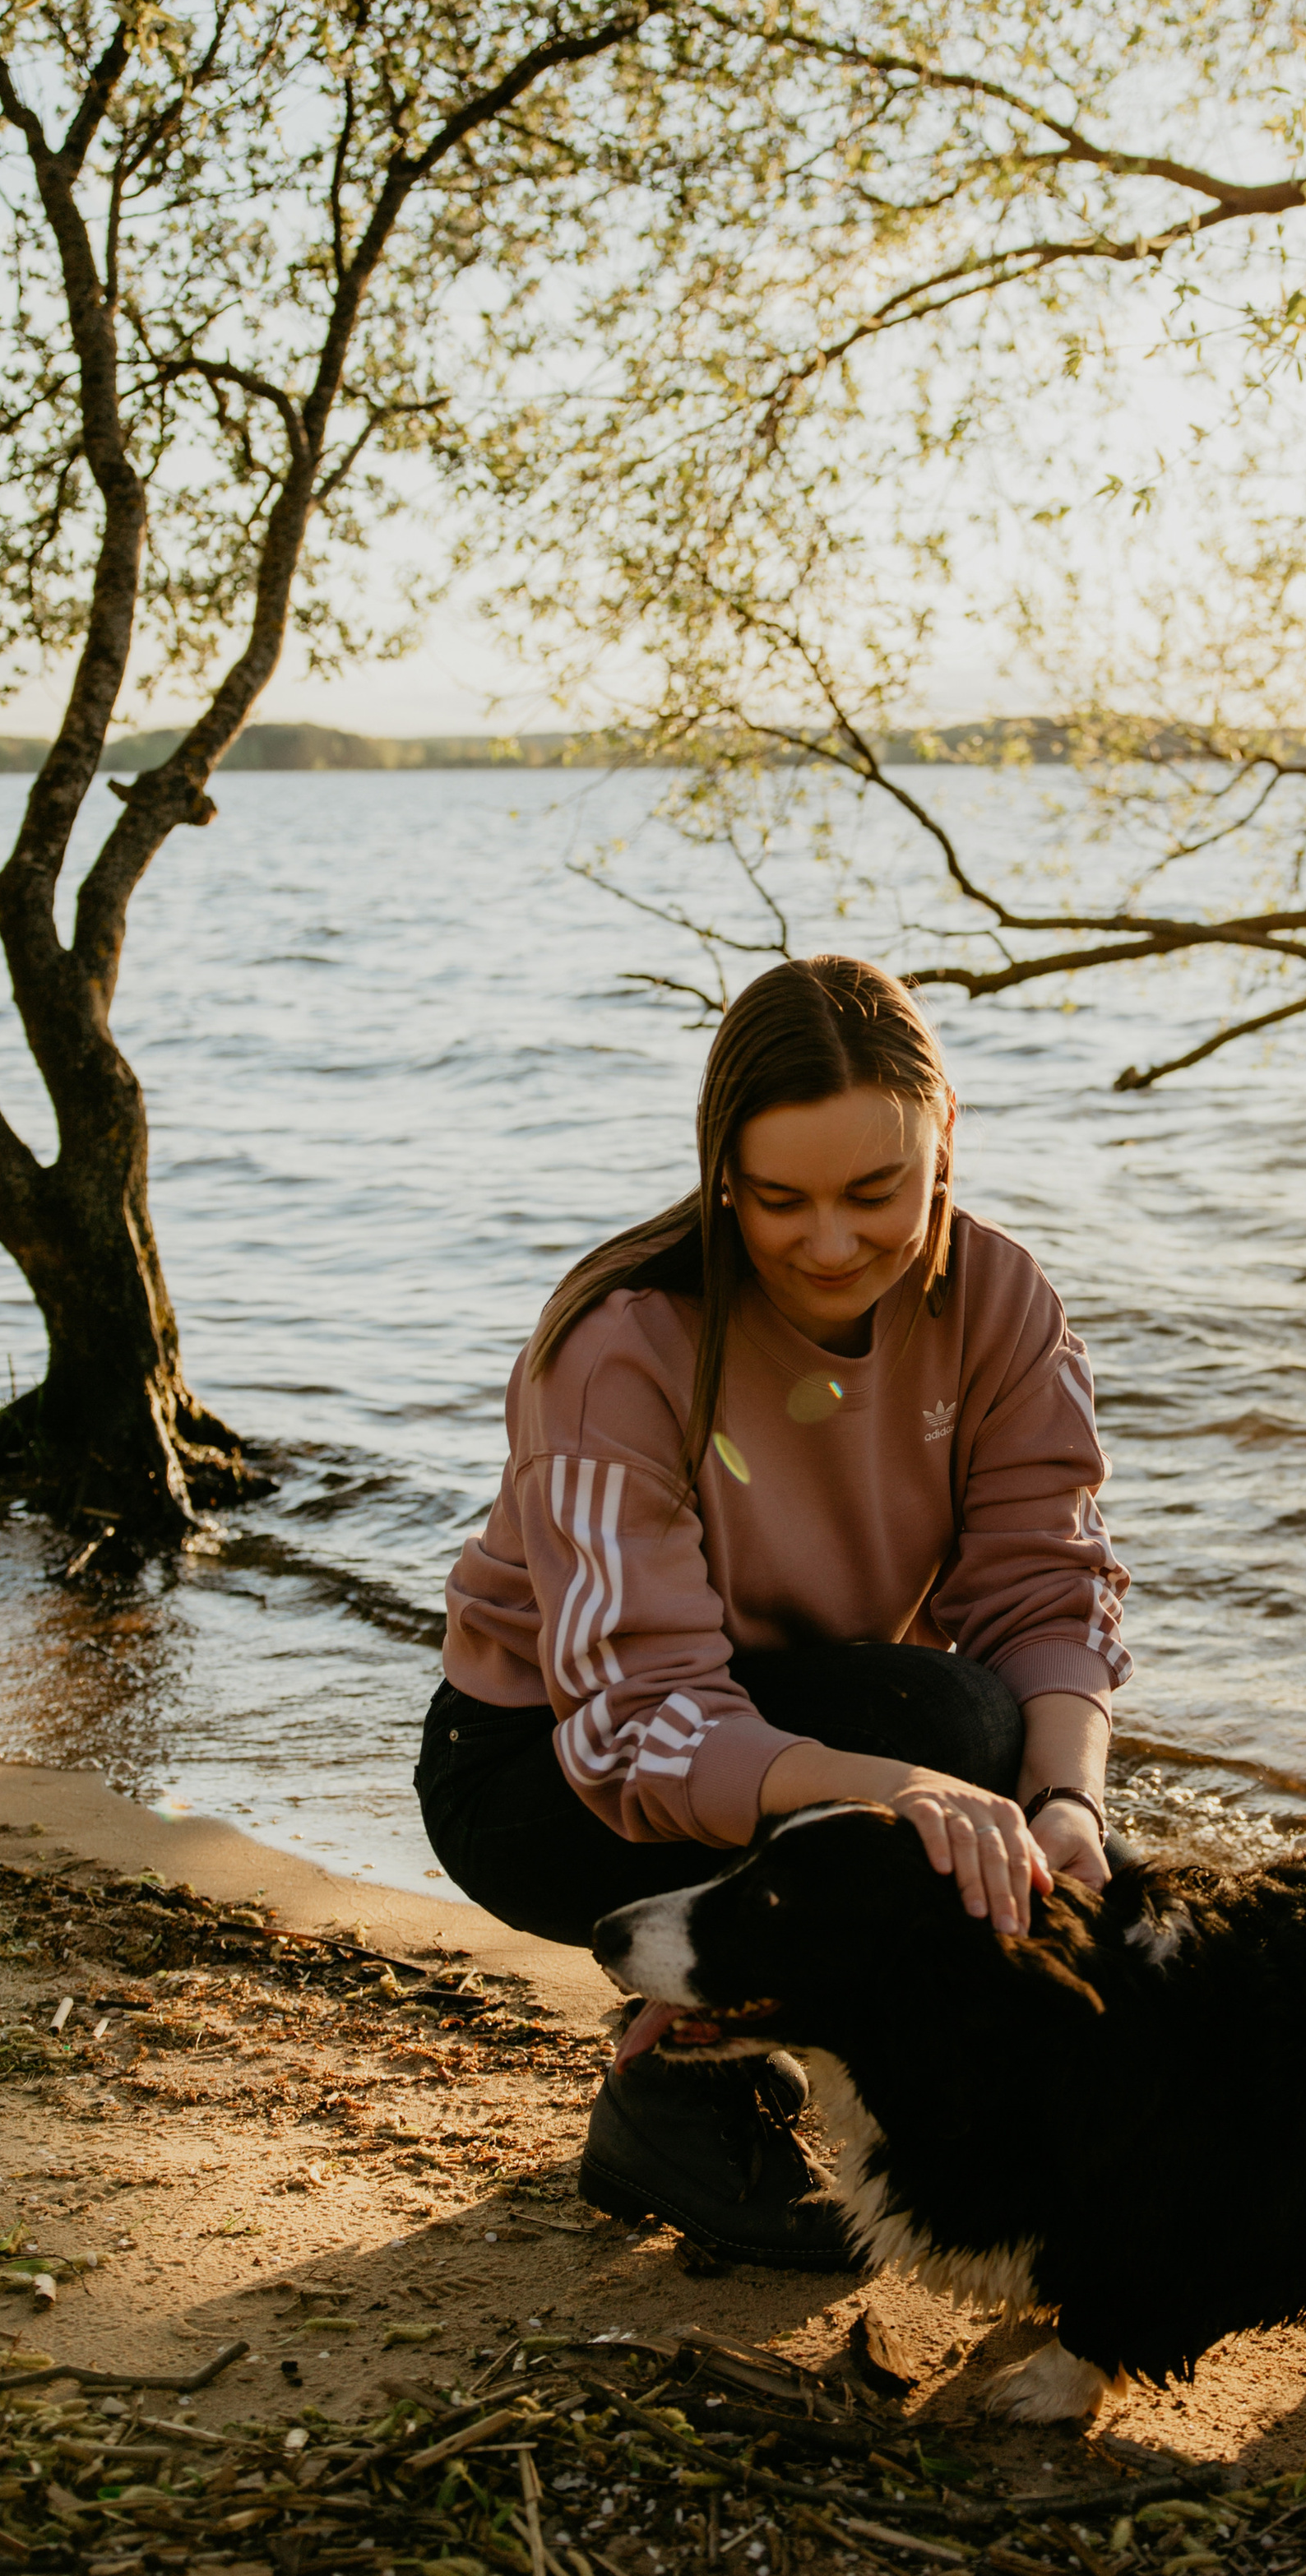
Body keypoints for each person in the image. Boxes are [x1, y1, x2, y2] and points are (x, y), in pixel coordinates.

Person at [415, 953, 1131, 2269]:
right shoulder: (621, 1347)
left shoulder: (1001, 1302)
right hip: (541, 1770)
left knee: (991, 1764)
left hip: (808, 1712)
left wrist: (1067, 1805)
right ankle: (672, 2108)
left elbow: (1047, 1585)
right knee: (946, 1739)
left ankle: (794, 2032)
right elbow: (636, 1721)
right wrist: (903, 1790)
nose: (833, 1242)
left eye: (876, 1192)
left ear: (945, 1134)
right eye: (780, 1199)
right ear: (721, 1170)